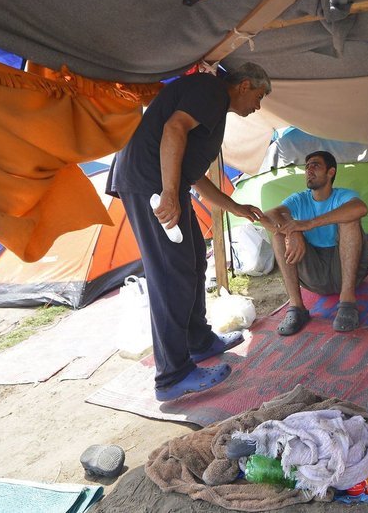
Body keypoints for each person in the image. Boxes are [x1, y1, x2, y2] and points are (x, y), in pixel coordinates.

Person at [107, 64, 270, 401]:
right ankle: (172, 375)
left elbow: (194, 173)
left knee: (194, 261)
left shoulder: (212, 104)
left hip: (165, 183)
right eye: (259, 96)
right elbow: (174, 129)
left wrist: (235, 207)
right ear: (244, 84)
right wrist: (168, 193)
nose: (258, 105)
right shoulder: (209, 90)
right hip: (151, 186)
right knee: (170, 275)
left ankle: (199, 342)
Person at [260, 151, 368, 335]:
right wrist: (292, 232)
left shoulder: (342, 196)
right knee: (279, 234)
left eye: (316, 165)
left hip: (347, 271)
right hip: (314, 274)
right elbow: (269, 215)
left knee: (350, 219)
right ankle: (297, 308)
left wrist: (309, 223)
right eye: (307, 166)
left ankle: (347, 302)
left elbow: (360, 208)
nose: (309, 170)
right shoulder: (299, 199)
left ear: (331, 172)